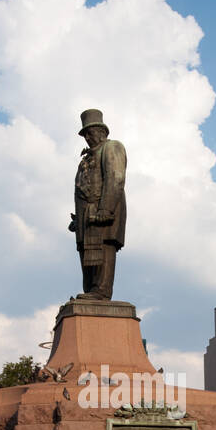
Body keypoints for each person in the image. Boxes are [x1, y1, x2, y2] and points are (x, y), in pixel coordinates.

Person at [69, 108, 127, 301]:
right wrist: (78, 220)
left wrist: (105, 209)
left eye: (90, 132)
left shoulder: (112, 148)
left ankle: (101, 292)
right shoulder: (86, 158)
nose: (87, 137)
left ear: (102, 131)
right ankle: (92, 292)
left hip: (102, 214)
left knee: (103, 252)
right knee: (88, 261)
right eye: (84, 133)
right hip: (86, 219)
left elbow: (115, 178)